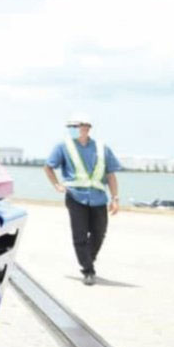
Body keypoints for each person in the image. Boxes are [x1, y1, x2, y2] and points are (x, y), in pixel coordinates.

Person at [44, 113, 122, 285]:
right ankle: (88, 270)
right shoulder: (62, 147)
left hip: (99, 198)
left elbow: (110, 174)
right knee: (80, 235)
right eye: (71, 127)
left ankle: (88, 259)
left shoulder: (102, 148)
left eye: (77, 126)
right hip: (75, 197)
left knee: (99, 233)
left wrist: (115, 198)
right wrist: (57, 185)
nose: (74, 130)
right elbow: (48, 167)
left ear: (87, 128)